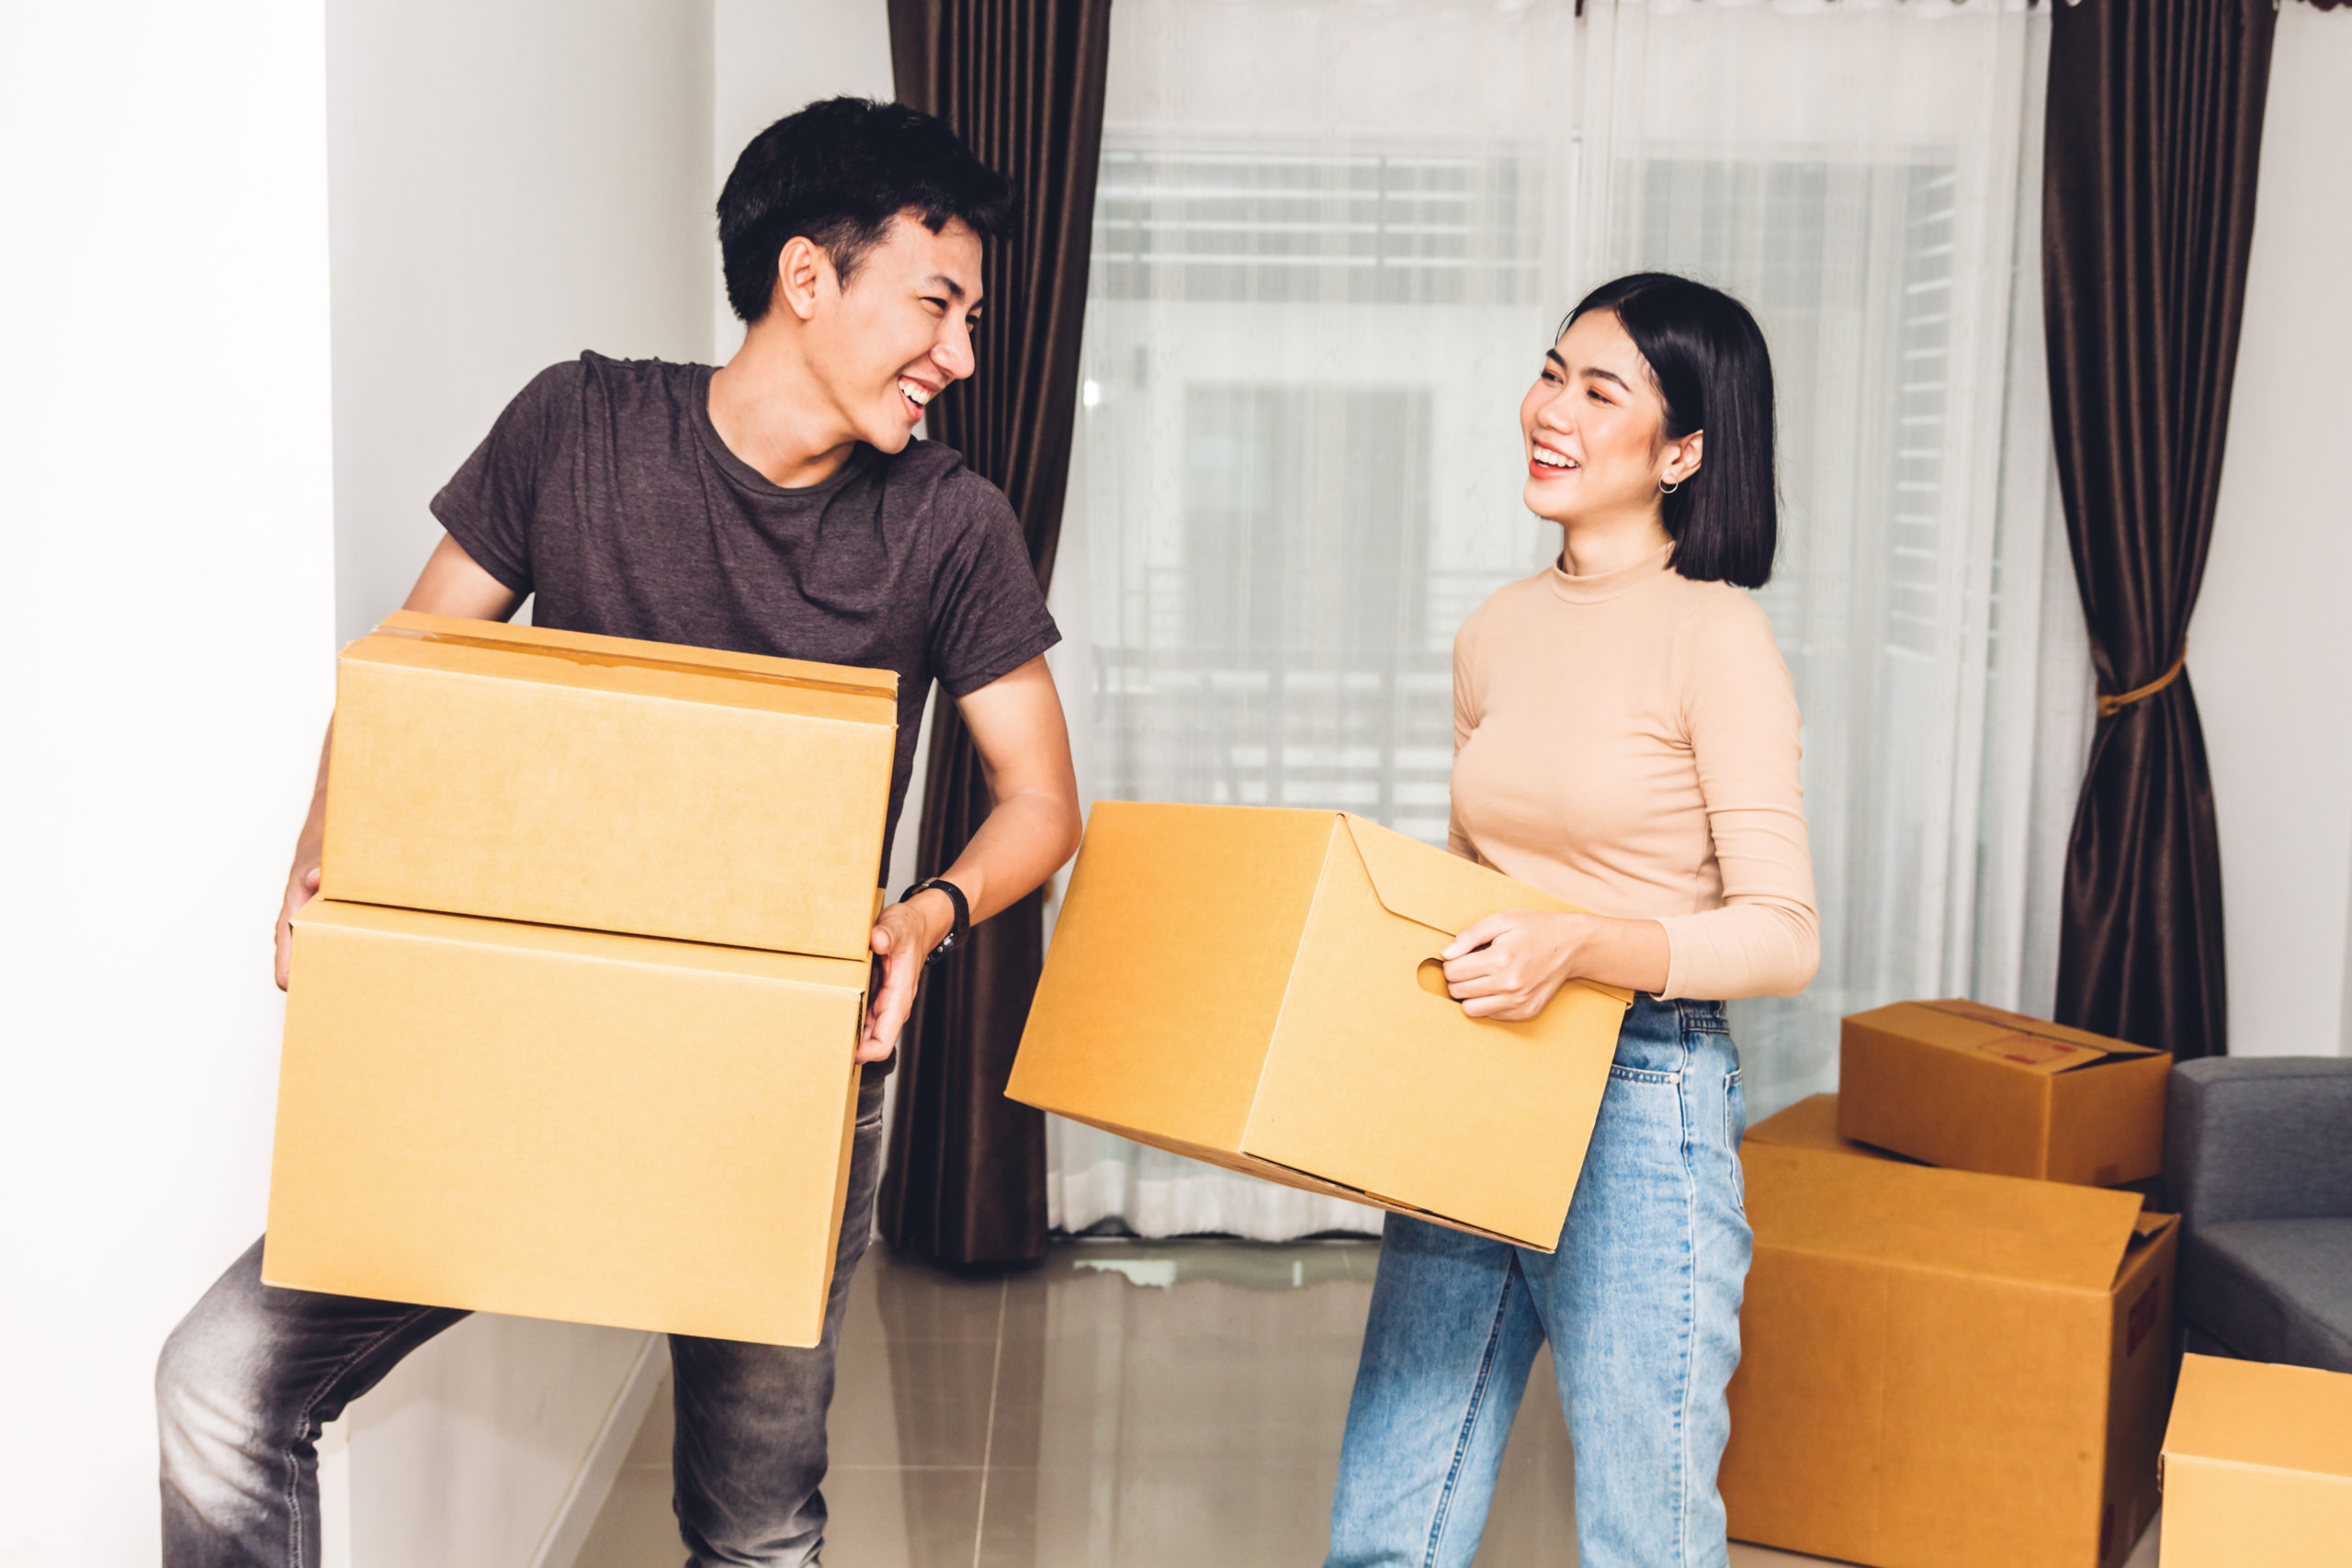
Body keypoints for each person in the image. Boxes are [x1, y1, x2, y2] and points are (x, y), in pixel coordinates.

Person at [154, 96, 1082, 1568]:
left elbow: (1041, 800)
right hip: (531, 1040)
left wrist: (928, 913)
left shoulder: (947, 524)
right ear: (806, 278)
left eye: (971, 322)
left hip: (783, 1077)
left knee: (754, 1524)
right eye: (938, 306)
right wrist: (329, 855)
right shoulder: (576, 426)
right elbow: (415, 663)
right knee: (216, 1387)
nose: (960, 359)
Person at [1323, 272, 1819, 1568]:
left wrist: (1581, 946)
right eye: (1552, 371)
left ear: (1683, 451)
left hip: (1642, 1098)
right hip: (1481, 1082)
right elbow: (1471, 881)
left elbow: (1783, 934)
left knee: (1645, 1537)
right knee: (1389, 1512)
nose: (1551, 408)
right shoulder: (1496, 631)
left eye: (1601, 390)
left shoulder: (1718, 640)